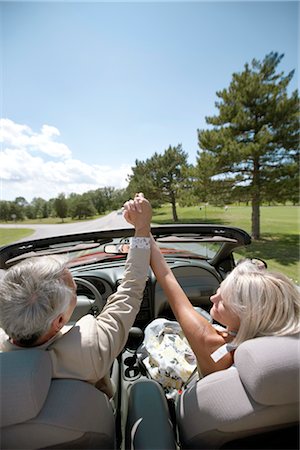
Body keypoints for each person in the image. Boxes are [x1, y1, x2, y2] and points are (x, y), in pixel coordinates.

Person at [123, 194, 300, 379]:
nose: (212, 298)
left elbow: (166, 276)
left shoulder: (212, 343)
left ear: (249, 317)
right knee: (200, 312)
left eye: (223, 302)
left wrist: (142, 227)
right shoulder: (270, 339)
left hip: (187, 389)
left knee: (156, 325)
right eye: (219, 291)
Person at [0, 194, 152, 398]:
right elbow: (131, 289)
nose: (75, 290)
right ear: (60, 320)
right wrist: (142, 229)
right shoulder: (90, 348)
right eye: (75, 292)